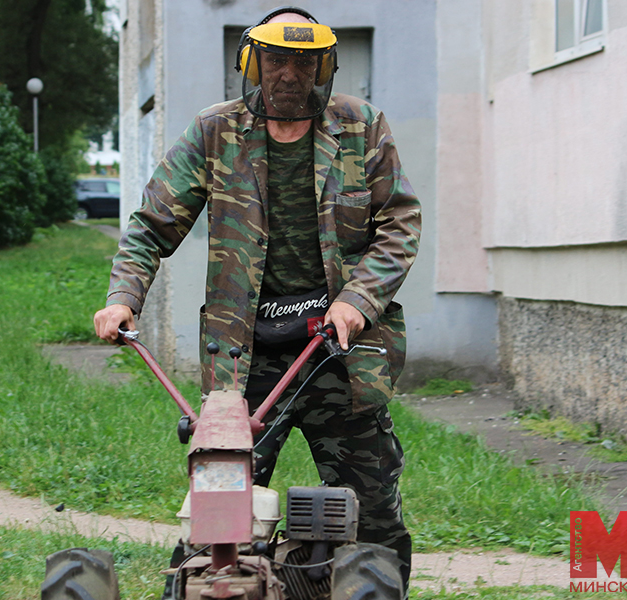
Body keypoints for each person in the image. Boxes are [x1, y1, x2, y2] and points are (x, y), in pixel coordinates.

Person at [94, 6, 421, 595]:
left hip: (337, 352)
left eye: (302, 62)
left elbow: (399, 223)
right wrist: (124, 297)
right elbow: (151, 225)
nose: (288, 75)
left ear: (324, 66)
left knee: (374, 515)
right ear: (253, 62)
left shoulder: (361, 126)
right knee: (218, 517)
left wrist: (358, 300)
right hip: (245, 361)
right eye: (275, 60)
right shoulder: (215, 131)